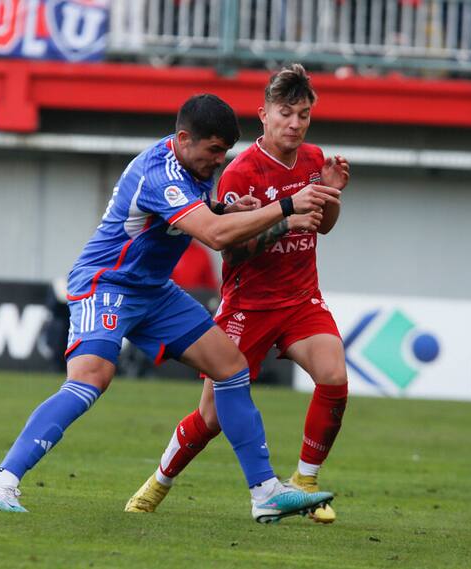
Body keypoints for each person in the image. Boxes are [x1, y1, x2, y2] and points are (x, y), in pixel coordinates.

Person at [0, 93, 342, 523]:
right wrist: (287, 207)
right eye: (214, 150)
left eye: (224, 151)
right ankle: (1, 480)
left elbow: (198, 215)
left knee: (230, 367)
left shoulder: (193, 164)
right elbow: (215, 236)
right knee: (91, 378)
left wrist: (223, 207)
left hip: (152, 290)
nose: (219, 161)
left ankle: (265, 493)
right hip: (106, 282)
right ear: (184, 139)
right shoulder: (160, 173)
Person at [124, 64, 350, 524]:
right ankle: (158, 482)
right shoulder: (240, 172)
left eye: (303, 115)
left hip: (300, 298)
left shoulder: (313, 159)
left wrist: (329, 194)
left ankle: (305, 483)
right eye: (285, 113)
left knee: (334, 377)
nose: (295, 124)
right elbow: (232, 250)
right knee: (210, 417)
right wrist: (283, 220)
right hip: (249, 305)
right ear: (264, 115)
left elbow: (323, 227)